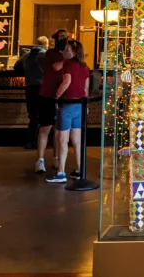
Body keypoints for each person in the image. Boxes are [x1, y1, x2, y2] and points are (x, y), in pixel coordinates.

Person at [46, 40, 90, 184]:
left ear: (72, 51)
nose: (64, 50)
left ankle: (61, 172)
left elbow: (67, 82)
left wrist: (57, 95)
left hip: (67, 104)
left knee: (62, 139)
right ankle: (79, 170)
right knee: (77, 141)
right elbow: (86, 88)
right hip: (80, 104)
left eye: (67, 48)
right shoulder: (85, 66)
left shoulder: (68, 64)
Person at [34, 29, 68, 174]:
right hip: (48, 94)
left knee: (58, 131)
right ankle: (40, 160)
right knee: (45, 128)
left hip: (62, 96)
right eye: (61, 37)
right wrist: (68, 57)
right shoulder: (50, 54)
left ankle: (56, 158)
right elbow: (56, 66)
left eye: (66, 37)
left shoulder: (66, 55)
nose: (64, 39)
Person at [14, 36, 49, 150]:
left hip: (30, 87)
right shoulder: (47, 55)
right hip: (44, 87)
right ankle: (43, 141)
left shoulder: (26, 55)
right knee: (45, 115)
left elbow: (16, 67)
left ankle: (30, 141)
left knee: (33, 115)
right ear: (46, 44)